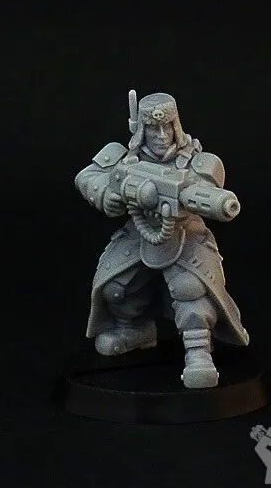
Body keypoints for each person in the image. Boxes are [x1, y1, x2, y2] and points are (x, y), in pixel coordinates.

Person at [75, 92, 249, 388]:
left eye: (166, 127)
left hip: (185, 236)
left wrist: (184, 201)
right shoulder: (124, 156)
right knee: (115, 288)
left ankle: (198, 352)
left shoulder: (197, 161)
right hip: (139, 233)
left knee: (189, 287)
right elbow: (88, 176)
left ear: (176, 126)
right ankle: (133, 329)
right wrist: (108, 194)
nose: (160, 135)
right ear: (140, 129)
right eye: (152, 128)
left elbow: (207, 192)